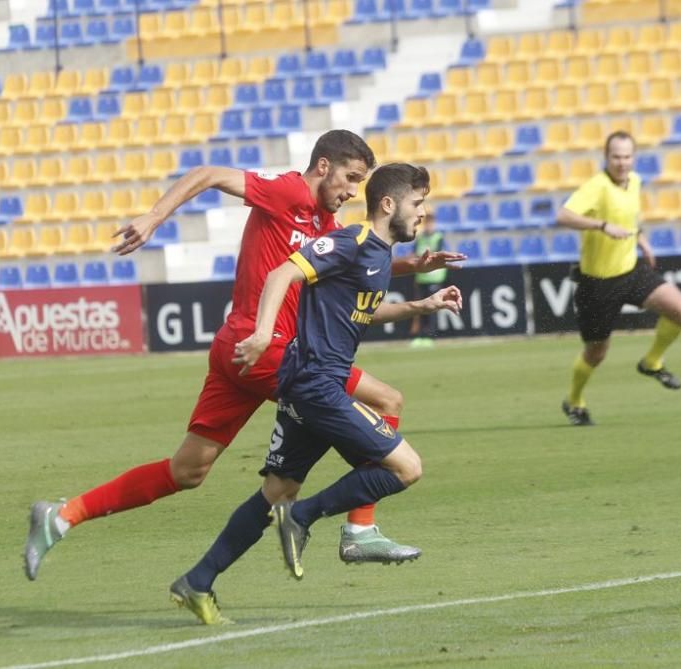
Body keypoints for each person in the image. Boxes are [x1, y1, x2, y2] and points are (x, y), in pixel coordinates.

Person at [23, 131, 466, 580]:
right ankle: (359, 528)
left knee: (188, 470)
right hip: (266, 348)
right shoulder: (287, 189)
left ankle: (63, 516)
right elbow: (208, 174)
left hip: (239, 353)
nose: (352, 191)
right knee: (383, 405)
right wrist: (154, 218)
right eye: (349, 178)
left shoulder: (326, 225)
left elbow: (354, 267)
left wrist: (412, 267)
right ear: (323, 167)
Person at [169, 163, 461, 624]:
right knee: (405, 468)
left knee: (276, 490)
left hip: (308, 382)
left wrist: (421, 306)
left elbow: (364, 311)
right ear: (389, 204)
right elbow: (281, 274)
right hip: (315, 383)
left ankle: (198, 580)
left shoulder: (380, 254)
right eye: (418, 203)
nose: (423, 213)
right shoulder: (351, 242)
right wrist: (264, 332)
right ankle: (308, 519)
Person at [555, 131, 681, 426]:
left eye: (627, 156)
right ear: (606, 158)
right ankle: (574, 401)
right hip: (597, 283)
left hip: (630, 270)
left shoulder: (635, 181)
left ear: (634, 157)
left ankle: (652, 362)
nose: (622, 162)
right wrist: (601, 225)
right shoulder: (597, 186)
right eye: (616, 157)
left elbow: (632, 216)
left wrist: (642, 238)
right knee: (596, 352)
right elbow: (563, 216)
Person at [407, 210, 447, 347]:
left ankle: (430, 336)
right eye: (427, 223)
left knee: (432, 309)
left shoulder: (438, 237)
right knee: (420, 308)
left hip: (435, 278)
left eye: (431, 223)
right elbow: (414, 254)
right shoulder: (420, 238)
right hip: (421, 278)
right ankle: (420, 337)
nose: (429, 226)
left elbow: (437, 256)